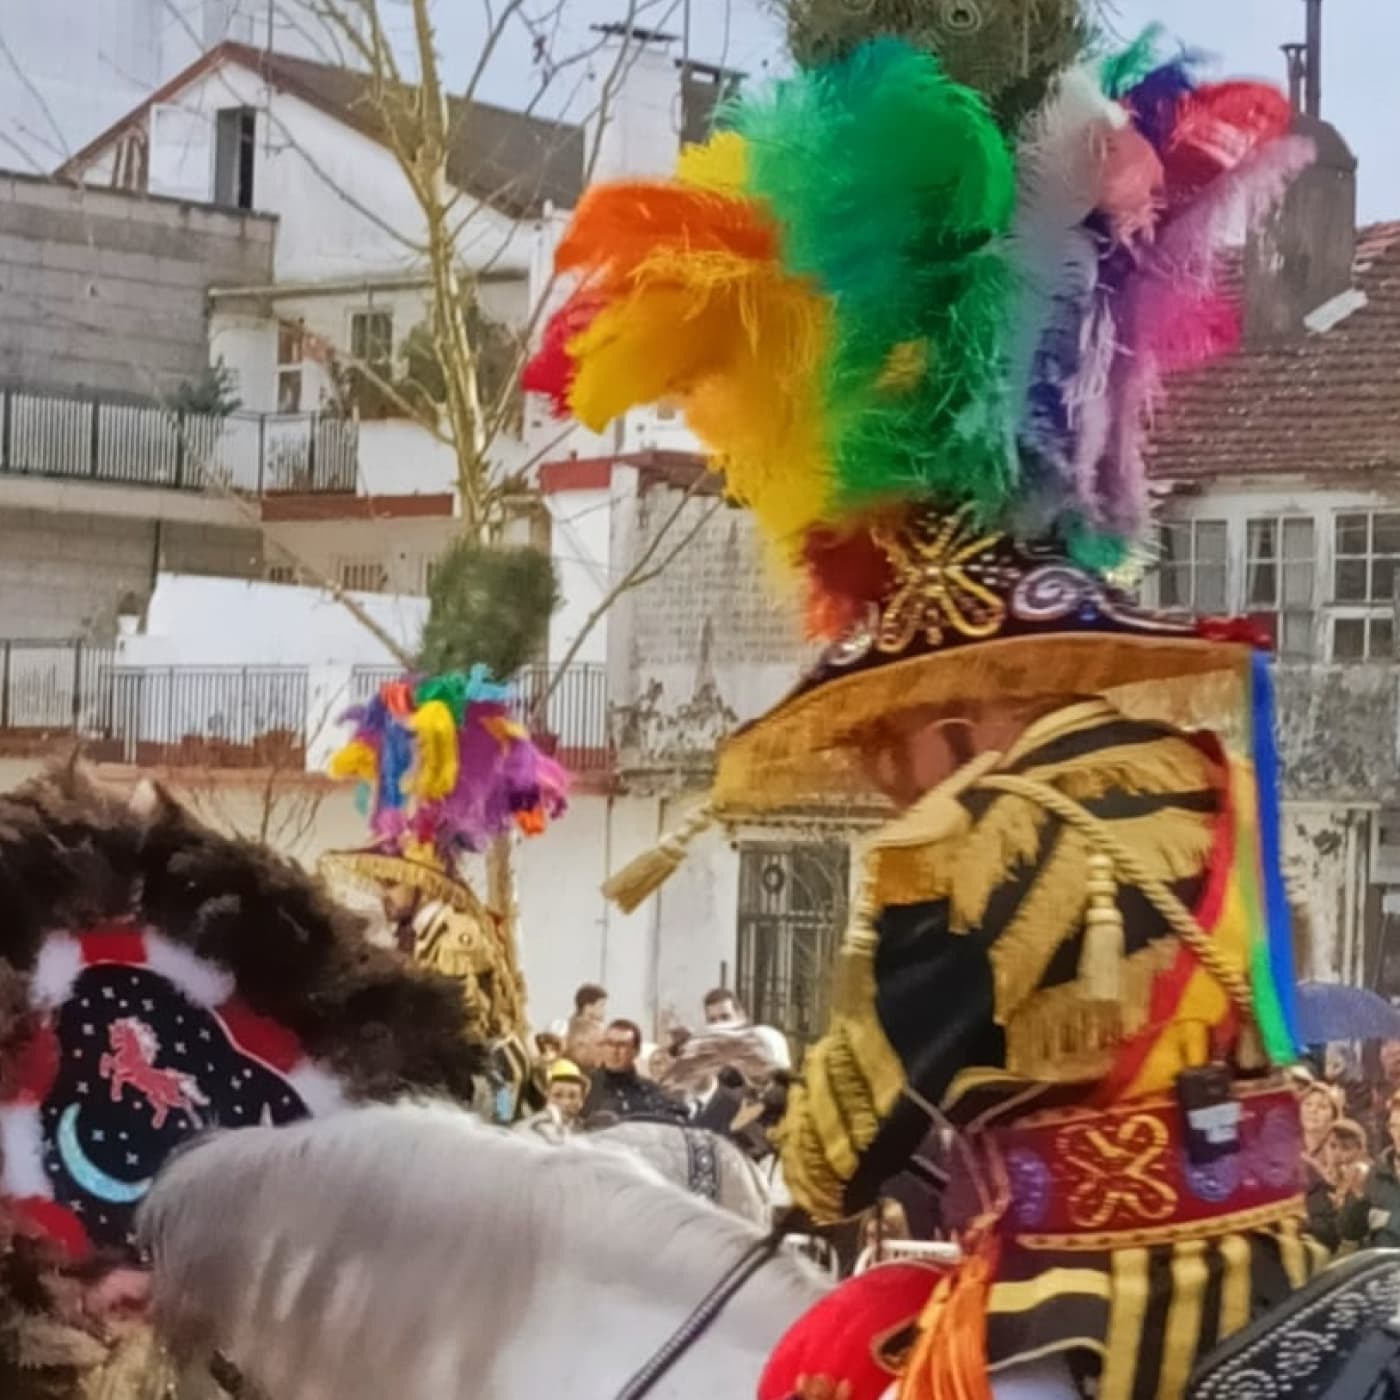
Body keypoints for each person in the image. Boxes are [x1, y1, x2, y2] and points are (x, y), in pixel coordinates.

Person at [536, 18, 1319, 1396]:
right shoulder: (1212, 782)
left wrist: (810, 1150)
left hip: (1084, 1321)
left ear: (950, 718)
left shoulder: (972, 832)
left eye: (894, 751)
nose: (897, 787)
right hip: (1273, 1286)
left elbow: (842, 1144)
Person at [582, 1019, 686, 1125]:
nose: (614, 1051)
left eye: (622, 1045)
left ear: (636, 1051)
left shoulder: (650, 1092)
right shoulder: (584, 1087)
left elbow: (677, 1117)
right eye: (609, 1043)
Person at [702, 988, 792, 1072]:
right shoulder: (708, 1055)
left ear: (741, 1016)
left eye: (725, 1017)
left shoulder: (762, 1040)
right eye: (712, 1020)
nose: (719, 1025)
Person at [516, 1058, 590, 1145]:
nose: (565, 1102)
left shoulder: (589, 1130)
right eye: (557, 1095)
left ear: (581, 1101)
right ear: (547, 1096)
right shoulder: (530, 1127)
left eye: (572, 1096)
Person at [1367, 1091, 1400, 1247]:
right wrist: (1356, 1198)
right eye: (1395, 1127)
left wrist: (1388, 1220)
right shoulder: (1378, 1169)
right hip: (1380, 1263)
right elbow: (1350, 1231)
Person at [566, 983, 607, 1071]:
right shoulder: (596, 1031)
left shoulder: (569, 1026)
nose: (604, 1011)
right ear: (588, 1007)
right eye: (601, 1006)